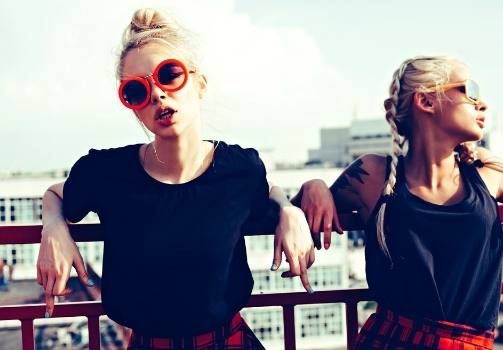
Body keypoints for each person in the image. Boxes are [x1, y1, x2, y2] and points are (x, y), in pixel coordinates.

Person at [36, 8, 314, 350]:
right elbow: (55, 194)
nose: (157, 95)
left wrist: (289, 209)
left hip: (228, 342)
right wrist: (53, 228)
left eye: (169, 74)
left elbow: (266, 191)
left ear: (199, 83)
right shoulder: (106, 172)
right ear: (133, 107)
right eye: (137, 91)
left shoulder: (240, 169)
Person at [294, 55, 503, 349]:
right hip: (392, 340)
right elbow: (288, 214)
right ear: (427, 102)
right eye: (469, 90)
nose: (482, 104)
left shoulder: (485, 170)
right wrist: (314, 186)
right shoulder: (372, 174)